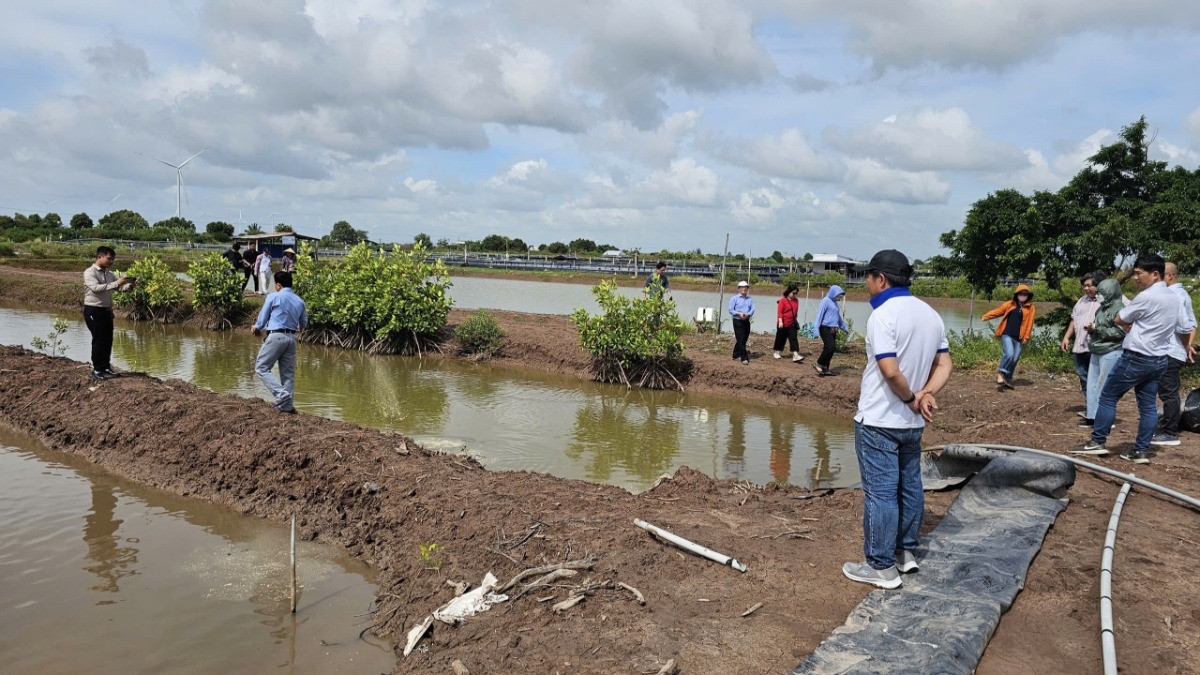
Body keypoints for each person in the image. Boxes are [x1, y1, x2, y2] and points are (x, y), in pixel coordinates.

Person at [842, 250, 952, 589]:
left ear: (881, 279)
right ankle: (905, 554)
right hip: (910, 426)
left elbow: (890, 371)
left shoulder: (883, 315)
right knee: (910, 487)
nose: (866, 285)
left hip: (879, 420)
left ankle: (880, 566)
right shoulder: (931, 314)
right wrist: (926, 395)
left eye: (868, 277)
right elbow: (944, 365)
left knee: (881, 493)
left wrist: (910, 398)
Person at [1073, 255, 1185, 464]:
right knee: (1148, 406)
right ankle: (1140, 451)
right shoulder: (1173, 297)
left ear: (1154, 274)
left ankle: (1097, 442)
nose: (1135, 277)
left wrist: (1129, 323)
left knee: (1107, 396)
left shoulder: (1146, 297)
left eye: (1138, 273)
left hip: (1137, 357)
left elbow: (1119, 319)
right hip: (1159, 358)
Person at [1151, 262, 1197, 446]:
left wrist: (1186, 344)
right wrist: (1188, 345)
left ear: (1169, 276)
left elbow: (1184, 326)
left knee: (1168, 393)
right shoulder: (1182, 294)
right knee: (1168, 392)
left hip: (1169, 351)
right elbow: (1192, 324)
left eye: (1159, 276)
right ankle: (1169, 426)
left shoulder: (1174, 296)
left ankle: (1170, 432)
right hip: (1173, 350)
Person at [252, 271, 308, 413]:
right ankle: (287, 406)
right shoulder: (300, 301)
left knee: (261, 367)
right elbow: (303, 324)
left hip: (276, 336)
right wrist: (297, 328)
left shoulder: (273, 297)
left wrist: (256, 327)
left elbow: (263, 317)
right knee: (287, 374)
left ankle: (281, 394)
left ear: (278, 285)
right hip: (291, 339)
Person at [83, 246, 137, 380]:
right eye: (109, 258)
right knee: (98, 340)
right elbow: (96, 288)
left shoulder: (109, 273)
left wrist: (130, 285)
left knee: (108, 339)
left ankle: (106, 366)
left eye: (113, 259)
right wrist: (117, 283)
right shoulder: (90, 272)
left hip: (106, 310)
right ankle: (97, 369)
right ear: (99, 257)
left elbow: (119, 288)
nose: (111, 261)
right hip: (93, 309)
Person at [1080, 278, 1127, 427]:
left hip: (1111, 351)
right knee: (1092, 385)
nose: (1098, 296)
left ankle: (1105, 420)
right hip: (1097, 349)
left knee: (1104, 386)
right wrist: (1092, 328)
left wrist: (1096, 328)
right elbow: (1099, 325)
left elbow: (1120, 332)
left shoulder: (1120, 309)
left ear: (1109, 293)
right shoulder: (1101, 308)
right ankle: (1092, 417)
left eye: (1101, 293)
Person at [982, 284, 1035, 389]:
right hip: (1007, 334)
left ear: (1028, 296)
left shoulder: (1031, 307)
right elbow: (998, 311)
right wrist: (986, 316)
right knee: (1009, 354)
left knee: (1014, 359)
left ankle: (1007, 378)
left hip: (1019, 338)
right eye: (1021, 294)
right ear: (1017, 294)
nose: (1023, 296)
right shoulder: (1010, 304)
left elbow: (1030, 323)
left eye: (1025, 294)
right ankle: (1000, 373)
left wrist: (1026, 337)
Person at [1061, 273, 1100, 397]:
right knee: (1082, 374)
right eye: (1084, 286)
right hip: (1080, 345)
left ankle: (1097, 406)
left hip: (1097, 347)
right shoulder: (1081, 301)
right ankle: (1090, 404)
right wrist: (1066, 337)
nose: (1086, 288)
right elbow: (1074, 320)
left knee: (1097, 377)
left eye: (1089, 285)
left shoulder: (1106, 300)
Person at [813, 285, 849, 377]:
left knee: (831, 348)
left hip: (833, 329)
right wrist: (816, 330)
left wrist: (844, 327)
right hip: (825, 328)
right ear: (833, 294)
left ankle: (825, 368)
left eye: (840, 296)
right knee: (830, 347)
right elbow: (819, 316)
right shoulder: (825, 301)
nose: (839, 298)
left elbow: (837, 317)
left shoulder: (835, 303)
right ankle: (819, 364)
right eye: (838, 296)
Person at [773, 283, 804, 362]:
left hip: (792, 323)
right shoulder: (782, 301)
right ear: (789, 292)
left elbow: (795, 312)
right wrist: (780, 322)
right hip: (783, 323)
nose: (795, 295)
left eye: (796, 293)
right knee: (781, 338)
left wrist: (795, 320)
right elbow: (780, 312)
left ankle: (795, 355)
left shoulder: (796, 300)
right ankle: (777, 352)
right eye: (793, 293)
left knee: (793, 338)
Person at [729, 281, 754, 365]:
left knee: (744, 339)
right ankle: (744, 358)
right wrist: (739, 313)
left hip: (746, 320)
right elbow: (731, 310)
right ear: (739, 289)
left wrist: (748, 314)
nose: (744, 289)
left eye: (745, 287)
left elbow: (752, 309)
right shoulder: (734, 299)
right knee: (740, 339)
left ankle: (735, 354)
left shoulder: (749, 299)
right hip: (737, 320)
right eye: (742, 287)